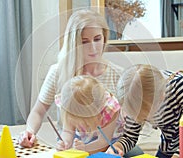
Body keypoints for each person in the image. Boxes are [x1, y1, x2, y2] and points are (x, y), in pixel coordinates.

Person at [18, 9, 123, 148]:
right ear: (74, 43)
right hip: (69, 144)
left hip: (110, 146)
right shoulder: (57, 72)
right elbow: (38, 111)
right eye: (84, 41)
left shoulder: (118, 74)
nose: (93, 47)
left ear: (104, 37)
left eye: (97, 39)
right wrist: (29, 132)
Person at [106, 64, 183, 158]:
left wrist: (179, 155)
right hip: (169, 143)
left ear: (161, 97)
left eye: (145, 116)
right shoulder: (134, 98)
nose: (141, 119)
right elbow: (130, 136)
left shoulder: (179, 86)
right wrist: (117, 147)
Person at [54, 75, 124, 154]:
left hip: (109, 139)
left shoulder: (110, 110)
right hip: (83, 138)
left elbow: (103, 142)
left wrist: (86, 148)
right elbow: (68, 131)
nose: (78, 122)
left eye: (82, 120)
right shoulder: (69, 105)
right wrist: (65, 143)